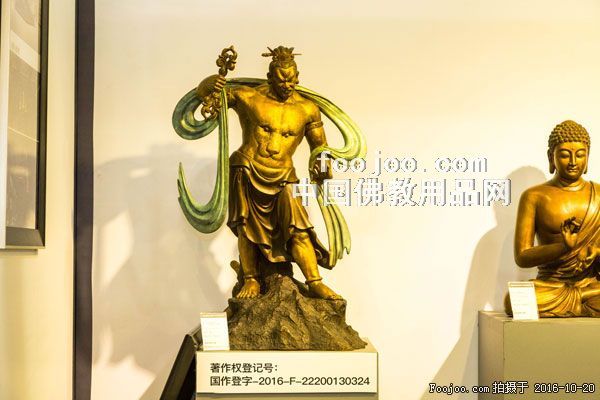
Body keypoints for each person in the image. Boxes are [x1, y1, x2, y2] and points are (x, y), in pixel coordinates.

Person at [196, 46, 340, 300]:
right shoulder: (249, 97)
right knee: (246, 228)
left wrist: (323, 162)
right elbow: (210, 99)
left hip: (283, 173)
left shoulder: (307, 109)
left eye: (291, 79)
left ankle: (314, 281)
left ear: (297, 77)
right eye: (281, 79)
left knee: (299, 228)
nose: (287, 84)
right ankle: (251, 279)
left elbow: (320, 145)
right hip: (248, 167)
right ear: (271, 76)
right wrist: (210, 84)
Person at [508, 120, 600, 317]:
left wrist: (596, 252)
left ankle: (579, 298)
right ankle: (581, 300)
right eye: (565, 155)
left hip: (591, 283)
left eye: (580, 154)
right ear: (551, 157)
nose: (573, 161)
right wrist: (563, 247)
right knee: (514, 301)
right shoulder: (534, 196)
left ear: (588, 156)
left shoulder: (599, 194)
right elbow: (522, 257)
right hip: (551, 285)